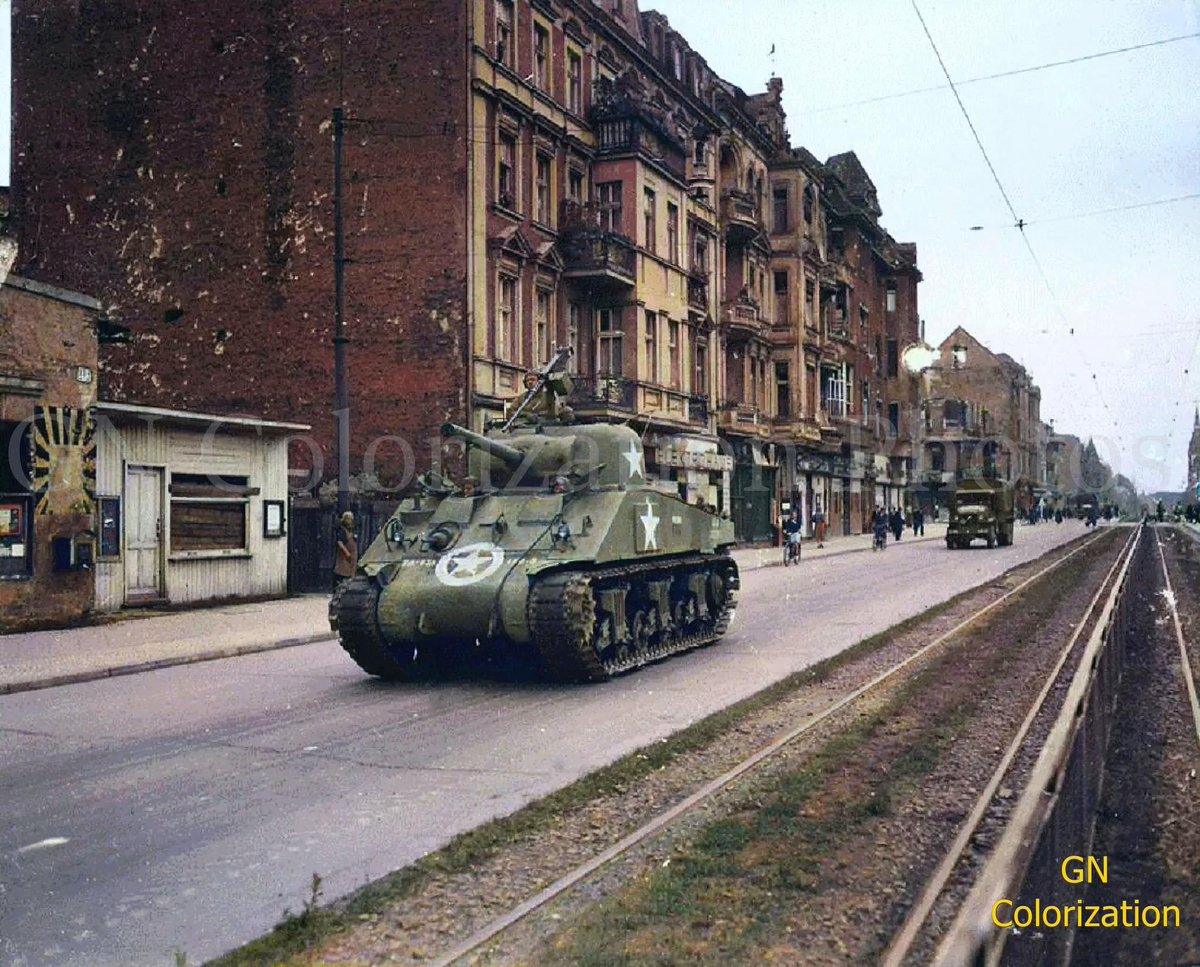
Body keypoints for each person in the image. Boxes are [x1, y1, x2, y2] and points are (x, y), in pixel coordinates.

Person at [333, 511, 358, 593]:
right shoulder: (342, 530)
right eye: (348, 519)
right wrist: (347, 553)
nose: (350, 521)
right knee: (342, 574)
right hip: (345, 558)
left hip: (352, 557)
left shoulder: (352, 529)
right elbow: (339, 542)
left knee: (351, 574)